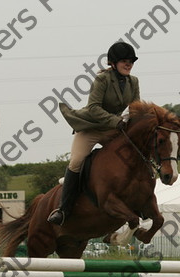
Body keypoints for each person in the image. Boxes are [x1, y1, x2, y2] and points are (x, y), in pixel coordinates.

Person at [48, 42, 140, 225]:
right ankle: (63, 209)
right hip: (90, 127)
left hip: (113, 129)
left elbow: (135, 106)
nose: (128, 64)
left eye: (131, 61)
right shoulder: (102, 80)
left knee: (131, 156)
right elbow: (93, 108)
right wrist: (117, 121)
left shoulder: (133, 81)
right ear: (113, 63)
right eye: (124, 61)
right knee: (76, 161)